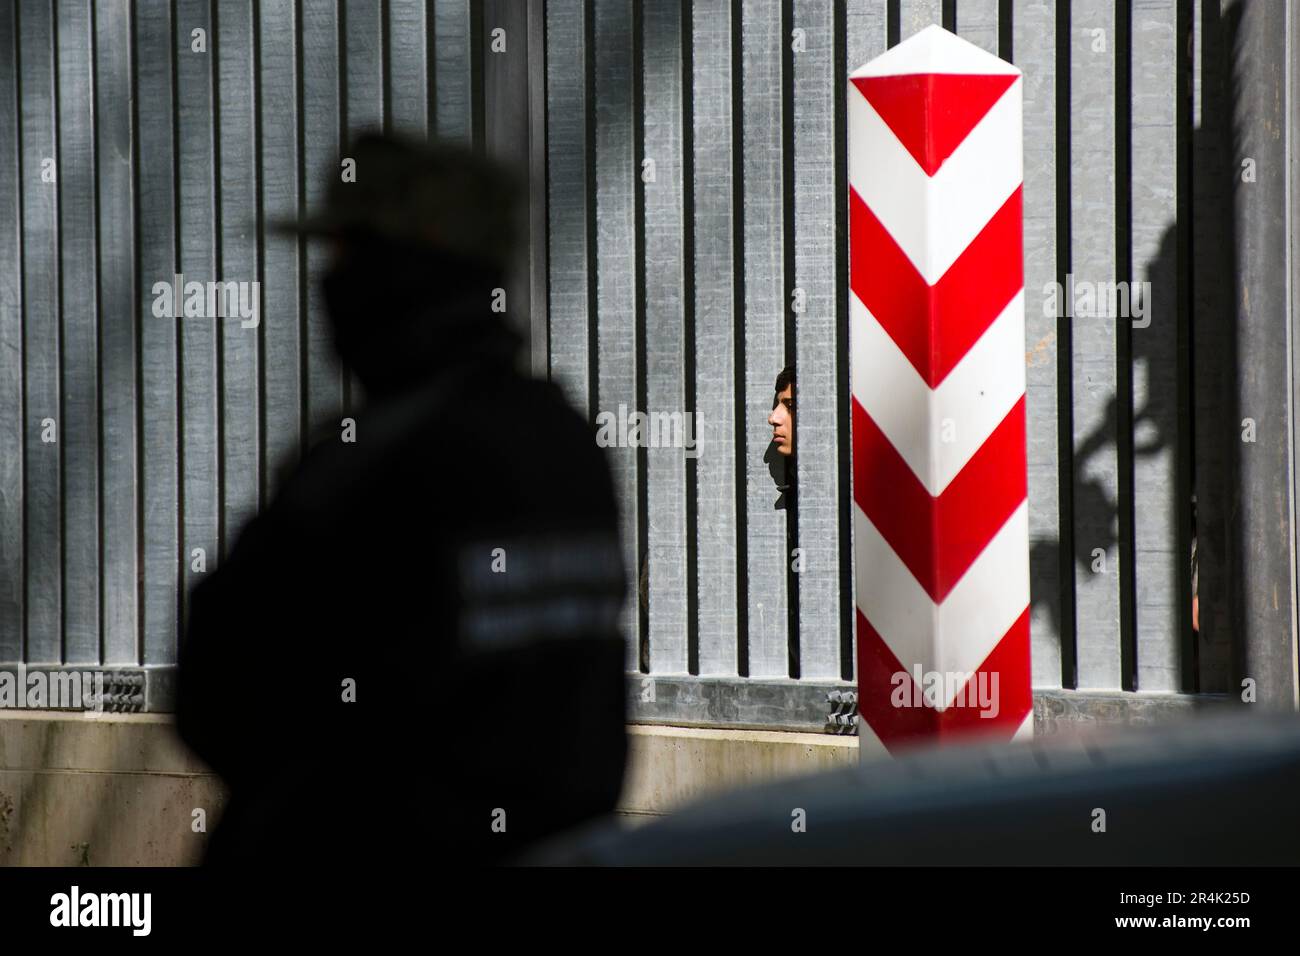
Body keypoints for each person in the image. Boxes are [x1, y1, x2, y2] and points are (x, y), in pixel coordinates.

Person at [175, 132, 629, 876]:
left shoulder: (375, 459)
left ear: (407, 269)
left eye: (350, 255)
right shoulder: (564, 443)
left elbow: (224, 694)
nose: (331, 283)